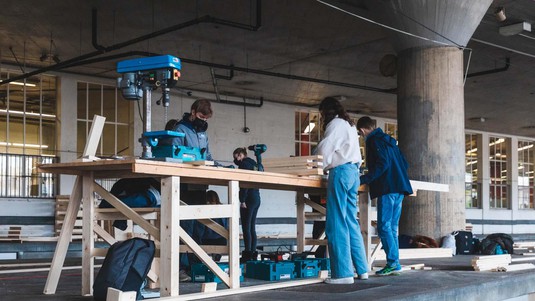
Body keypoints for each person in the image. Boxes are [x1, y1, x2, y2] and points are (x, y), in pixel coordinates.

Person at [316, 97, 368, 284]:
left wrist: (314, 164)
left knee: (336, 222)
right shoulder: (349, 125)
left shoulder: (336, 124)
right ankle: (362, 269)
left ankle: (343, 274)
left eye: (322, 114)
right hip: (353, 172)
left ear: (326, 112)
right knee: (349, 221)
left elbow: (325, 148)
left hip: (341, 173)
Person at [357, 116, 413, 276]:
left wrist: (363, 179)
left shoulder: (374, 141)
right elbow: (404, 163)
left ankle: (393, 263)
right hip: (400, 187)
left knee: (384, 227)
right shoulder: (390, 141)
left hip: (388, 188)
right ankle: (394, 263)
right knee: (392, 227)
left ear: (362, 130)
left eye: (361, 134)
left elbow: (382, 163)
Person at [233, 147, 262, 263]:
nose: (235, 159)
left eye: (235, 156)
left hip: (248, 198)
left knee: (246, 227)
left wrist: (242, 200)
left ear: (240, 154)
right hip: (256, 196)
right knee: (252, 227)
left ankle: (247, 254)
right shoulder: (254, 163)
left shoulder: (244, 165)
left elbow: (245, 184)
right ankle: (253, 253)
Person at [193, 190, 228, 261]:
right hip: (221, 240)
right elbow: (226, 225)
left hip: (206, 240)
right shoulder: (223, 209)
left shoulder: (203, 210)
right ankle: (216, 260)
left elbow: (200, 230)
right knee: (216, 260)